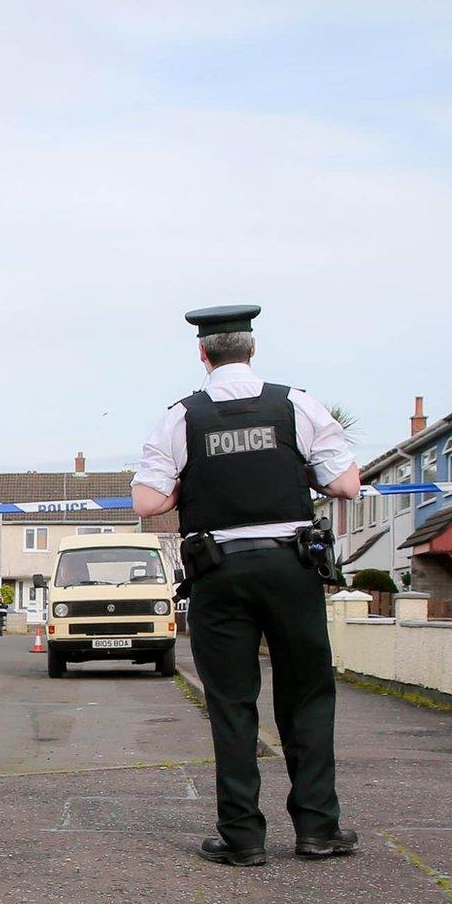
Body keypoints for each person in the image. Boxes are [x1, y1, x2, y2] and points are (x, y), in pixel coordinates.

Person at [133, 304, 361, 867]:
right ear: (252, 350)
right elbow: (348, 485)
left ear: (203, 354)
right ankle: (318, 829)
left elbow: (147, 503)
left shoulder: (181, 418)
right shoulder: (295, 404)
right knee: (307, 696)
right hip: (291, 568)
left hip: (219, 572)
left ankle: (242, 837)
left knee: (232, 703)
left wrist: (195, 482)